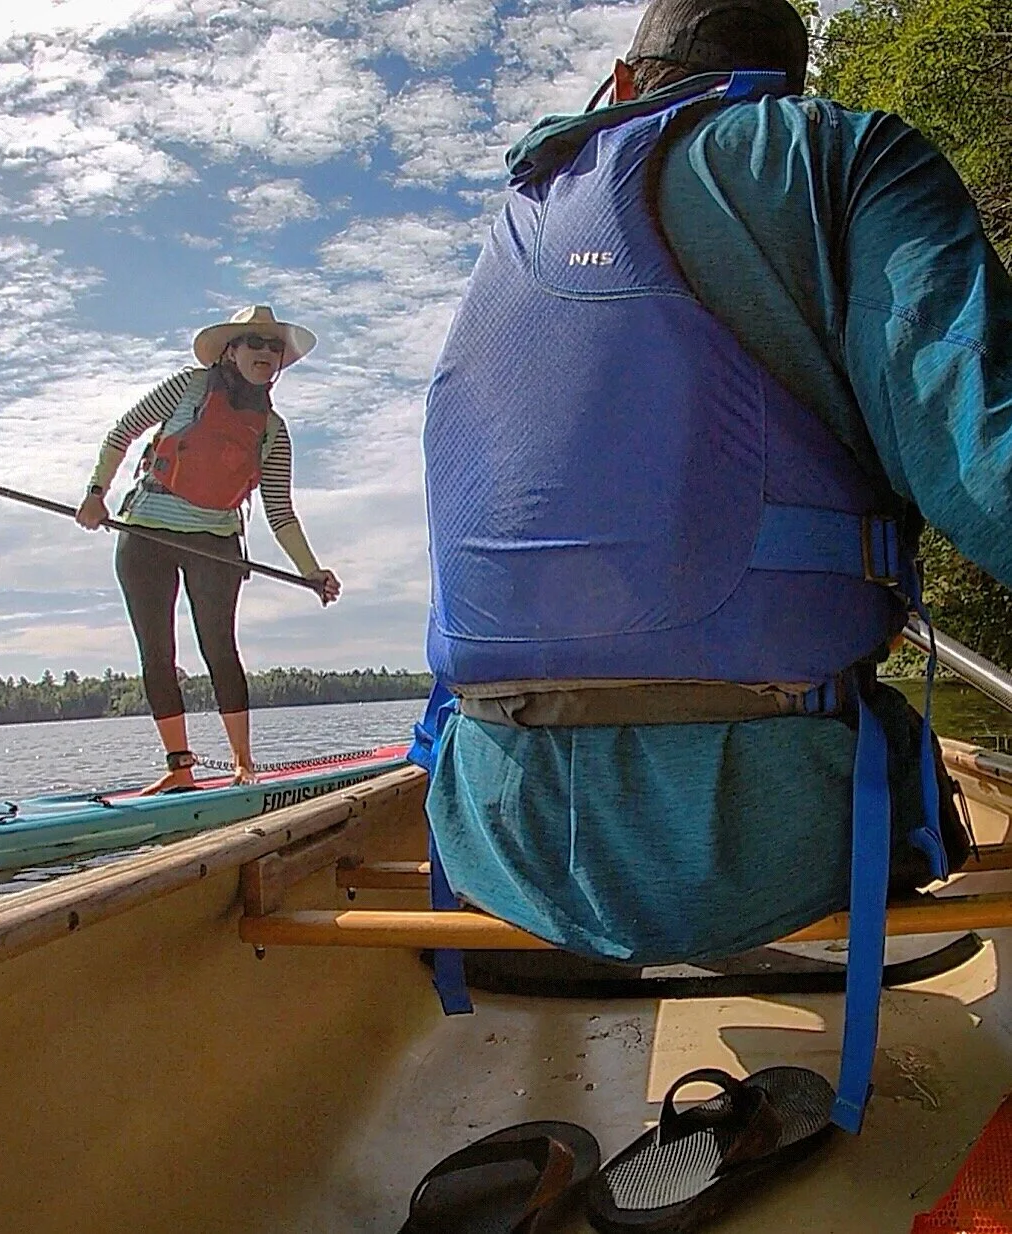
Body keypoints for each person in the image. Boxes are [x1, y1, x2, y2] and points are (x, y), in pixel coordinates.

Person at [419, 0, 1012, 1134]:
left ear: (621, 78)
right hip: (770, 838)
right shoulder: (841, 152)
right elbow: (983, 454)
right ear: (790, 81)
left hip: (495, 830)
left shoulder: (517, 220)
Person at [77, 305, 340, 793]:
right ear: (230, 351)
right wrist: (96, 494)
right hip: (147, 534)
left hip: (215, 543)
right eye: (253, 343)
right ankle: (180, 768)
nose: (265, 352)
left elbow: (280, 513)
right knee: (157, 652)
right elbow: (122, 433)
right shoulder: (187, 388)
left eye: (273, 346)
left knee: (219, 648)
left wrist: (311, 570)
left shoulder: (274, 431)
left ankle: (244, 764)